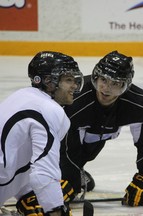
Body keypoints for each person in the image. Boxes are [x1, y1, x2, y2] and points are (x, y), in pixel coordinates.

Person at [60, 50, 143, 207]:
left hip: (97, 134)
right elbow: (65, 146)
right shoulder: (75, 101)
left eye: (115, 83)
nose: (106, 88)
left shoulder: (139, 105)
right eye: (104, 80)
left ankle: (75, 172)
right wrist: (69, 180)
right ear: (96, 77)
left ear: (125, 85)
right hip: (53, 142)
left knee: (94, 139)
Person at [0, 51, 84, 215]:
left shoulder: (22, 96)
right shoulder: (49, 109)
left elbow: (18, 156)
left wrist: (28, 194)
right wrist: (56, 209)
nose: (75, 85)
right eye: (68, 80)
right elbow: (43, 171)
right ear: (48, 81)